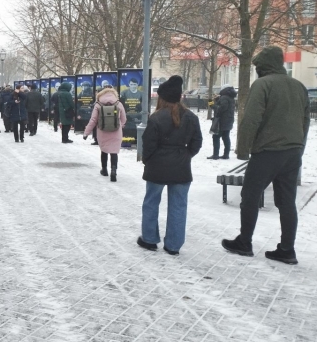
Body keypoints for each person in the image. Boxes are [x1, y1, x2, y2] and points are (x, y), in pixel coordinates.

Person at [221, 46, 310, 265]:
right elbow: (305, 121)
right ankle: (287, 249)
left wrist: (243, 149)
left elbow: (251, 119)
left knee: (250, 196)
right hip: (293, 152)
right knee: (287, 202)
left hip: (268, 151)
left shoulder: (262, 85)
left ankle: (245, 242)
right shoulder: (299, 86)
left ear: (263, 67)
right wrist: (300, 148)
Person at [137, 76, 203, 255]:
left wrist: (148, 161)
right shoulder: (191, 117)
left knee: (151, 202)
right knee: (178, 205)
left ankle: (149, 239)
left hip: (157, 166)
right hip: (181, 167)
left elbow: (148, 144)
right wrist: (186, 155)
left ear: (162, 98)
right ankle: (173, 245)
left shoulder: (157, 117)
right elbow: (197, 142)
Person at [83, 84, 126, 181]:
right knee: (114, 152)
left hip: (102, 131)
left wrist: (86, 133)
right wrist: (120, 126)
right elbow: (124, 119)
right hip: (116, 131)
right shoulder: (118, 103)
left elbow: (93, 120)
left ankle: (104, 169)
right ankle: (114, 170)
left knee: (104, 150)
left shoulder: (98, 104)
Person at [206, 84, 236, 159]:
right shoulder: (231, 98)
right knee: (226, 137)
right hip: (229, 120)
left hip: (221, 121)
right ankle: (226, 155)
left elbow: (221, 108)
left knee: (216, 137)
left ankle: (215, 155)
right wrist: (217, 101)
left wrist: (211, 104)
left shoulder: (224, 97)